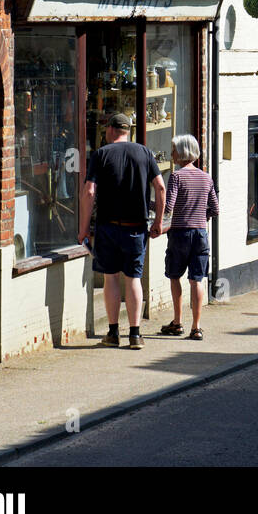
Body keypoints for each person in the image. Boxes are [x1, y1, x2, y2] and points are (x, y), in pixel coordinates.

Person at [79, 113, 166, 350]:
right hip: (136, 228)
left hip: (108, 227)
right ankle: (136, 334)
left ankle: (113, 332)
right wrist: (158, 221)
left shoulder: (101, 154)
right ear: (129, 131)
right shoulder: (145, 153)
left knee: (110, 278)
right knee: (133, 278)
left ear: (109, 130)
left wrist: (84, 228)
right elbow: (160, 187)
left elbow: (89, 192)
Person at [158, 135, 218, 341]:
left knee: (175, 276)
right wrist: (201, 217)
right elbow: (215, 209)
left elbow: (169, 207)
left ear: (182, 152)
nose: (172, 154)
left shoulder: (176, 177)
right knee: (197, 280)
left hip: (180, 233)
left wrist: (151, 206)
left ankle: (177, 322)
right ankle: (196, 327)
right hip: (201, 233)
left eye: (174, 150)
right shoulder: (206, 177)